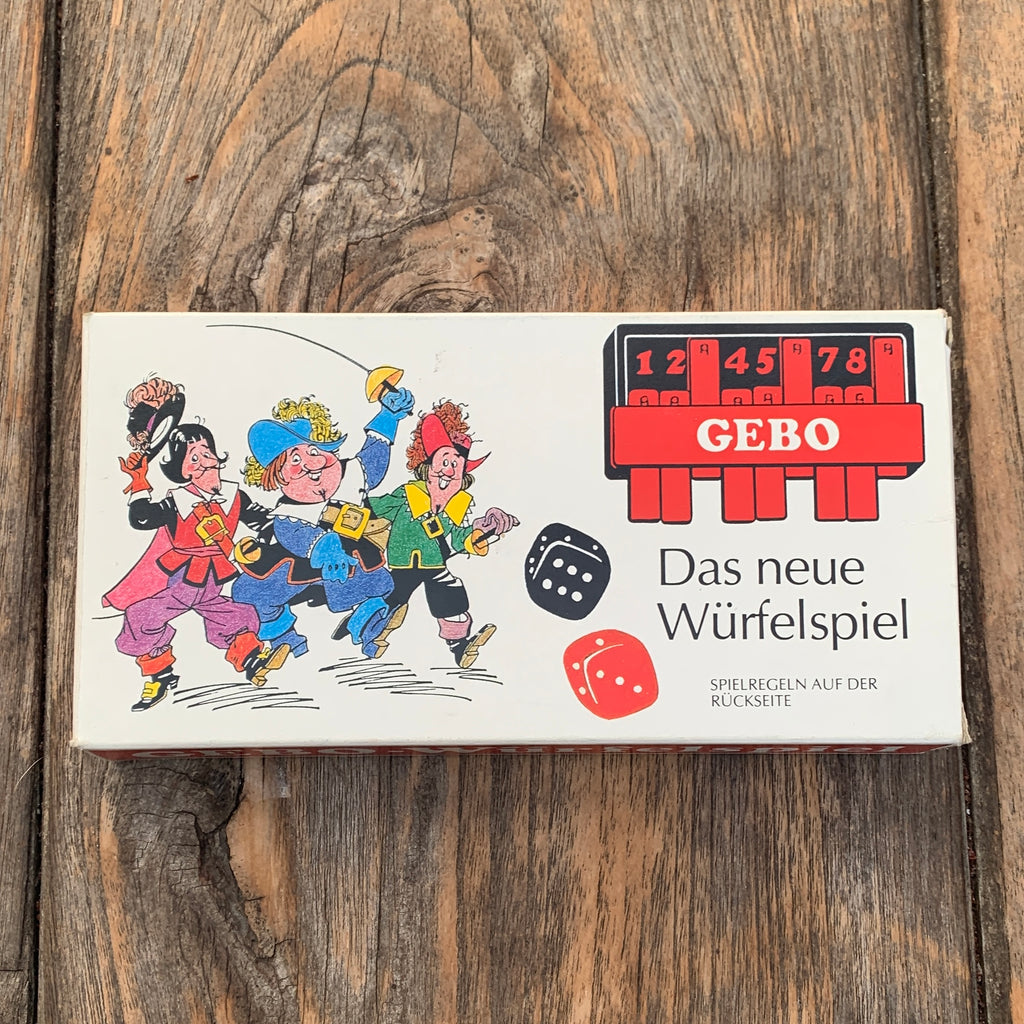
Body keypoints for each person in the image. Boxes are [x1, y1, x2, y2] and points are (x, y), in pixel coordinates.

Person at [104, 423, 289, 711]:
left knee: (228, 614)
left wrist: (273, 534)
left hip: (214, 578)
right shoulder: (177, 501)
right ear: (183, 469)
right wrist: (139, 480)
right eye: (193, 457)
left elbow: (261, 520)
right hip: (183, 578)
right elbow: (142, 519)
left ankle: (253, 661)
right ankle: (159, 676)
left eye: (206, 452)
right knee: (142, 616)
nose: (203, 461)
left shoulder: (234, 496)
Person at [232, 387, 414, 659]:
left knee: (378, 589)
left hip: (354, 564)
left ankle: (368, 629)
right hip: (301, 567)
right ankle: (285, 640)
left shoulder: (352, 475)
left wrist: (388, 415)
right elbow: (295, 535)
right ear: (278, 477)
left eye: (314, 451)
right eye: (294, 459)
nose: (309, 464)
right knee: (255, 590)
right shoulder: (288, 512)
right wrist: (324, 547)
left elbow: (374, 454)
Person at [368, 400, 518, 668]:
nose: (449, 470)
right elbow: (375, 508)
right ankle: (373, 634)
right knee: (391, 601)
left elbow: (457, 538)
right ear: (426, 466)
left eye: (456, 465)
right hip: (403, 563)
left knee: (451, 594)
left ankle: (460, 646)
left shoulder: (455, 507)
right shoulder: (407, 495)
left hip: (434, 563)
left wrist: (480, 535)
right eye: (445, 461)